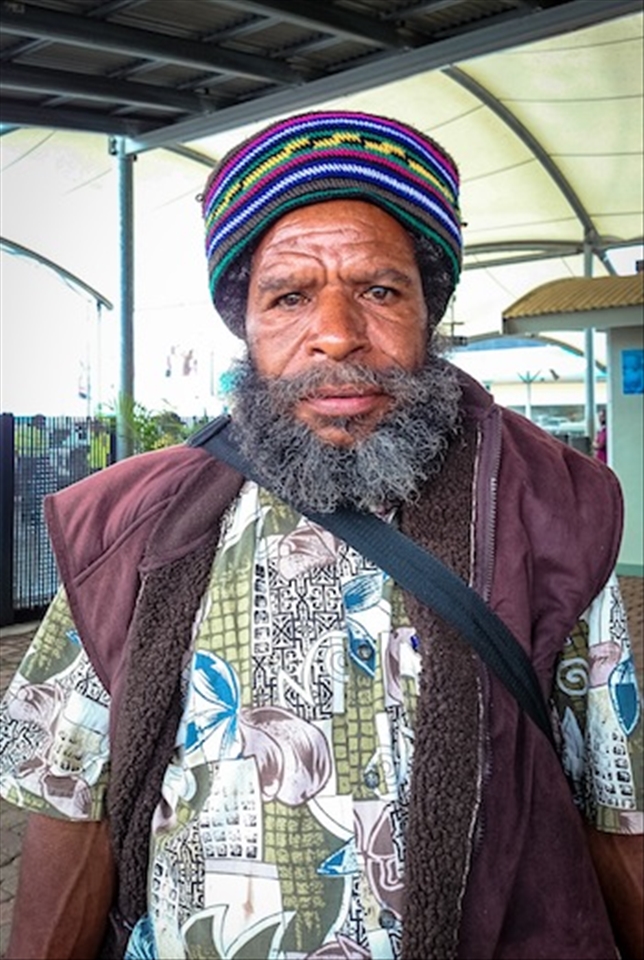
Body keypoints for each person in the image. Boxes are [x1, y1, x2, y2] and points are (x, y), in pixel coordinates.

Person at [1, 111, 642, 960]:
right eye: (290, 295)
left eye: (380, 290)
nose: (337, 333)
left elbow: (616, 805)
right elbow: (72, 809)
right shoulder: (126, 527)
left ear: (427, 310)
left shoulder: (552, 504)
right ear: (246, 322)